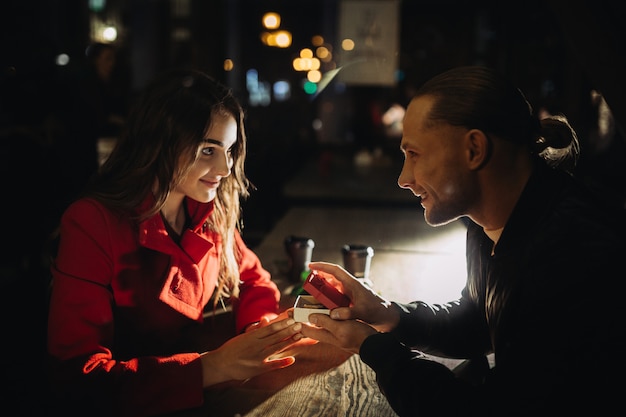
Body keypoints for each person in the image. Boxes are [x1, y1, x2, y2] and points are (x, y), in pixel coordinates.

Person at [300, 65, 626, 416]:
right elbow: (477, 322)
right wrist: (388, 314)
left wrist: (373, 347)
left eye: (415, 155)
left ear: (474, 149)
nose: (403, 178)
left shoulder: (570, 254)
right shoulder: (490, 221)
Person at [47, 68, 305, 417]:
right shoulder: (92, 222)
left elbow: (252, 278)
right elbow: (78, 376)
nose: (226, 168)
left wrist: (258, 331)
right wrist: (214, 367)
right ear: (159, 143)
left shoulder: (208, 211)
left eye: (229, 151)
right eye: (208, 150)